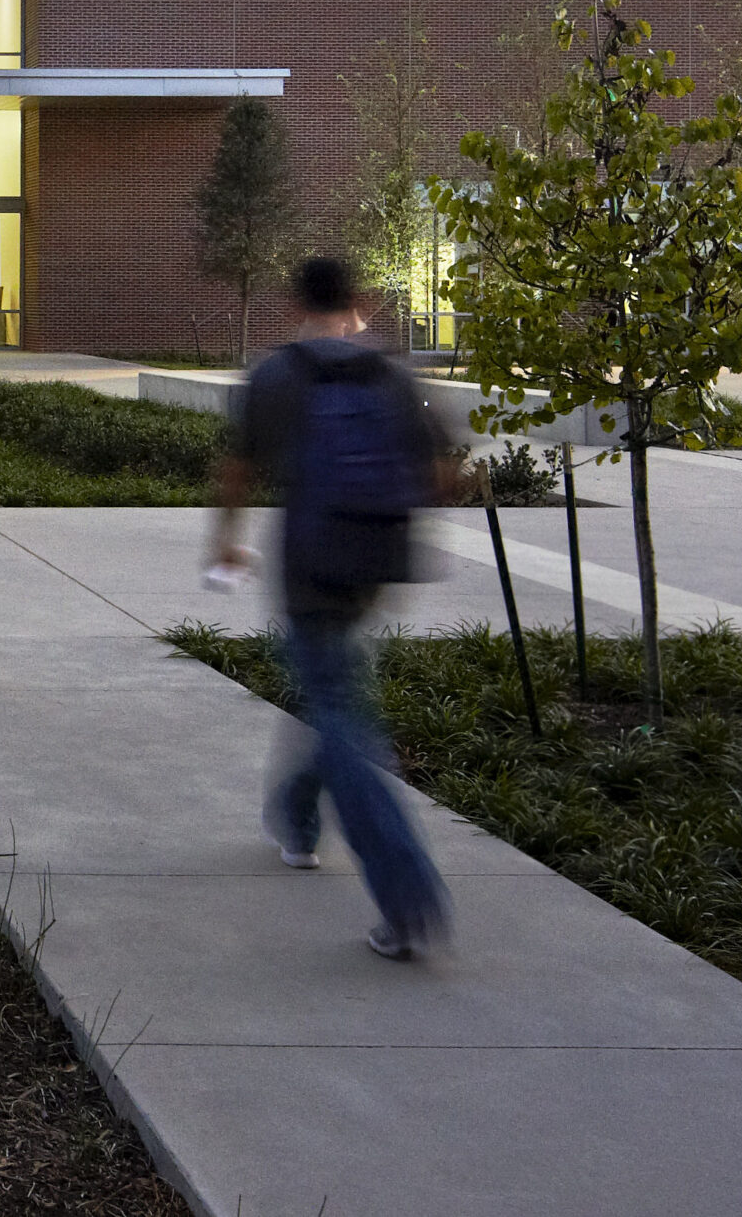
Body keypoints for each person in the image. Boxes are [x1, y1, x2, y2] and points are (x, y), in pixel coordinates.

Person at [207, 254, 458, 960]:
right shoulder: (395, 375)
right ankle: (295, 815)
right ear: (361, 298)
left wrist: (227, 544)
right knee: (338, 695)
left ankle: (406, 895)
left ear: (296, 301)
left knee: (343, 717)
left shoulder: (276, 375)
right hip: (374, 564)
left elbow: (237, 470)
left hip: (308, 567)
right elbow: (442, 475)